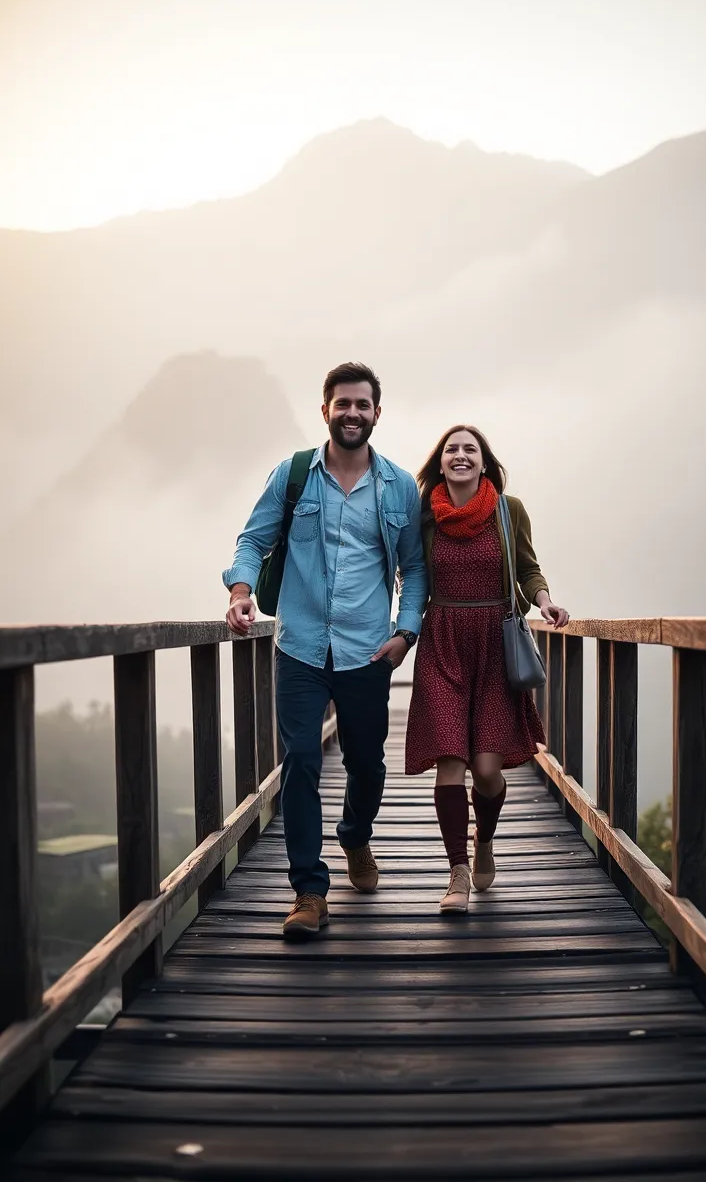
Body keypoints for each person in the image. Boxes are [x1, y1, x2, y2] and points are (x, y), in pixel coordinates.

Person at [224, 363, 427, 936]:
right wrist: (240, 591)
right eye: (343, 404)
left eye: (363, 405)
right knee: (302, 763)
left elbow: (413, 568)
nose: (353, 413)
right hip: (301, 649)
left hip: (368, 652)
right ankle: (309, 892)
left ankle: (356, 837)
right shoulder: (292, 476)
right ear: (326, 411)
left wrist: (405, 632)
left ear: (377, 413)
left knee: (367, 764)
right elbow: (253, 539)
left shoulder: (399, 486)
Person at [405, 425, 569, 914]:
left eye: (469, 449)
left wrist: (544, 601)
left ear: (483, 460)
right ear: (440, 461)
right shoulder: (424, 515)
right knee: (450, 760)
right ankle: (457, 873)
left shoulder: (507, 509)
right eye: (452, 449)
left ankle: (485, 840)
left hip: (495, 643)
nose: (460, 456)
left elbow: (527, 567)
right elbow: (409, 573)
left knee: (487, 770)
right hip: (444, 641)